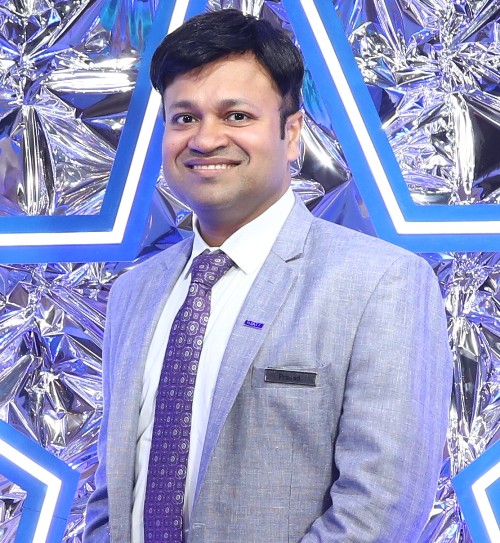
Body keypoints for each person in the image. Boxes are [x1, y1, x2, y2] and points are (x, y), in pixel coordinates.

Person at [83, 8, 451, 543]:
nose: (205, 139)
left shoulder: (383, 284)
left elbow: (380, 510)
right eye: (184, 118)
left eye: (236, 115)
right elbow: (112, 492)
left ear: (291, 133)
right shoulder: (133, 292)